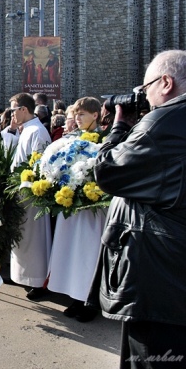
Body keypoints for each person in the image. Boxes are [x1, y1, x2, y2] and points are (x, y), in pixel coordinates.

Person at [88, 50, 186, 367]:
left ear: (166, 83)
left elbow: (107, 171)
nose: (142, 97)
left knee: (151, 358)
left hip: (160, 275)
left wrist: (119, 125)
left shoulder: (164, 121)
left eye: (145, 89)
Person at [46, 97, 104, 323]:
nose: (77, 119)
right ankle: (75, 297)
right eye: (76, 115)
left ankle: (90, 301)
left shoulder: (103, 138)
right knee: (71, 252)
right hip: (71, 205)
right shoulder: (72, 139)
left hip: (91, 208)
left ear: (95, 116)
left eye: (82, 115)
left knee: (87, 254)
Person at [1, 93, 52, 299]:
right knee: (22, 239)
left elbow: (39, 166)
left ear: (24, 109)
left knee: (33, 239)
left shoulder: (38, 132)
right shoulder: (27, 130)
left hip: (31, 195)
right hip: (20, 192)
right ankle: (22, 277)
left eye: (14, 109)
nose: (12, 114)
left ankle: (38, 281)